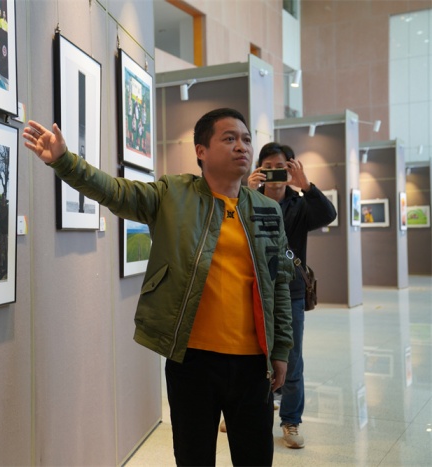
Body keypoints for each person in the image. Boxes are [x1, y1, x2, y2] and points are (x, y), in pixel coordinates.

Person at [23, 108, 294, 466]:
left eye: (246, 139)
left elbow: (279, 284)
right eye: (229, 138)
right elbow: (116, 192)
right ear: (201, 151)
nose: (241, 146)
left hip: (253, 363)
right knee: (193, 458)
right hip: (192, 360)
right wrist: (64, 161)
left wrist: (282, 349)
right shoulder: (173, 194)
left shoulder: (267, 209)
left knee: (256, 458)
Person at [247, 142, 337, 449]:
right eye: (268, 167)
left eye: (281, 167)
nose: (275, 173)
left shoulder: (300, 205)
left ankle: (290, 420)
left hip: (291, 291)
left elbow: (328, 214)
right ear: (259, 169)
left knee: (292, 358)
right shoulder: (250, 199)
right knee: (251, 357)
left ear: (291, 168)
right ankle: (246, 415)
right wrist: (247, 191)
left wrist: (306, 185)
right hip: (253, 287)